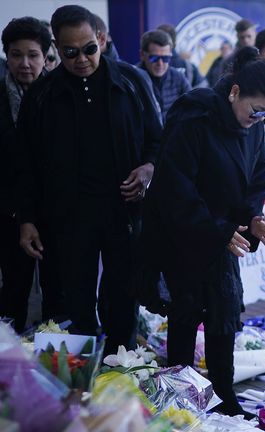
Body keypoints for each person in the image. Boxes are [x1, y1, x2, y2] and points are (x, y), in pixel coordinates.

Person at [142, 57, 265, 419]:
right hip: (185, 232)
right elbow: (176, 187)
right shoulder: (195, 118)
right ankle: (179, 393)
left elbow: (258, 175)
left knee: (224, 310)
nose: (259, 119)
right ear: (234, 92)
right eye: (256, 110)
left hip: (228, 231)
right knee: (186, 312)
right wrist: (217, 231)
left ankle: (223, 391)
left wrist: (252, 218)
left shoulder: (253, 124)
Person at [15, 5, 162, 354]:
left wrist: (148, 169)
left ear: (101, 38)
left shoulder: (132, 81)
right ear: (56, 46)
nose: (81, 59)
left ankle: (118, 370)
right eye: (70, 52)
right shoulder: (42, 95)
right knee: (73, 303)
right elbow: (25, 165)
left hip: (123, 213)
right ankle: (78, 383)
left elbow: (159, 142)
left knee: (123, 298)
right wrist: (26, 219)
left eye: (89, 49)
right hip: (67, 218)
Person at [0, 17, 51, 333]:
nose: (24, 63)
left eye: (33, 55)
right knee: (13, 291)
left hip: (52, 212)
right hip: (6, 211)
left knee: (58, 295)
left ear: (46, 55)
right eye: (16, 55)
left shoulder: (59, 94)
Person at [139, 30, 191, 120]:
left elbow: (193, 106)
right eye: (154, 58)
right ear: (142, 55)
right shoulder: (132, 79)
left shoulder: (178, 77)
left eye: (165, 58)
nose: (160, 63)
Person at [156, 23, 208, 88]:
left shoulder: (148, 65)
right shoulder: (188, 65)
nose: (160, 63)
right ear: (175, 42)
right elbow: (203, 87)